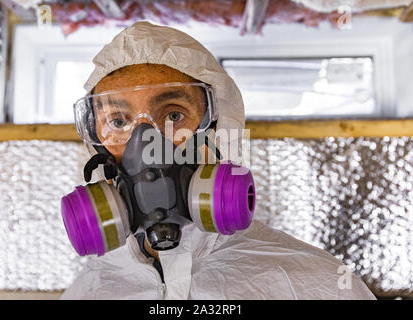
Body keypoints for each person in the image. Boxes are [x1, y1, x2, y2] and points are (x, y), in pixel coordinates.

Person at [60, 21, 375, 300]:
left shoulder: (313, 284)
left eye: (173, 115)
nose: (145, 144)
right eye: (117, 122)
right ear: (97, 145)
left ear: (217, 130)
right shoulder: (89, 291)